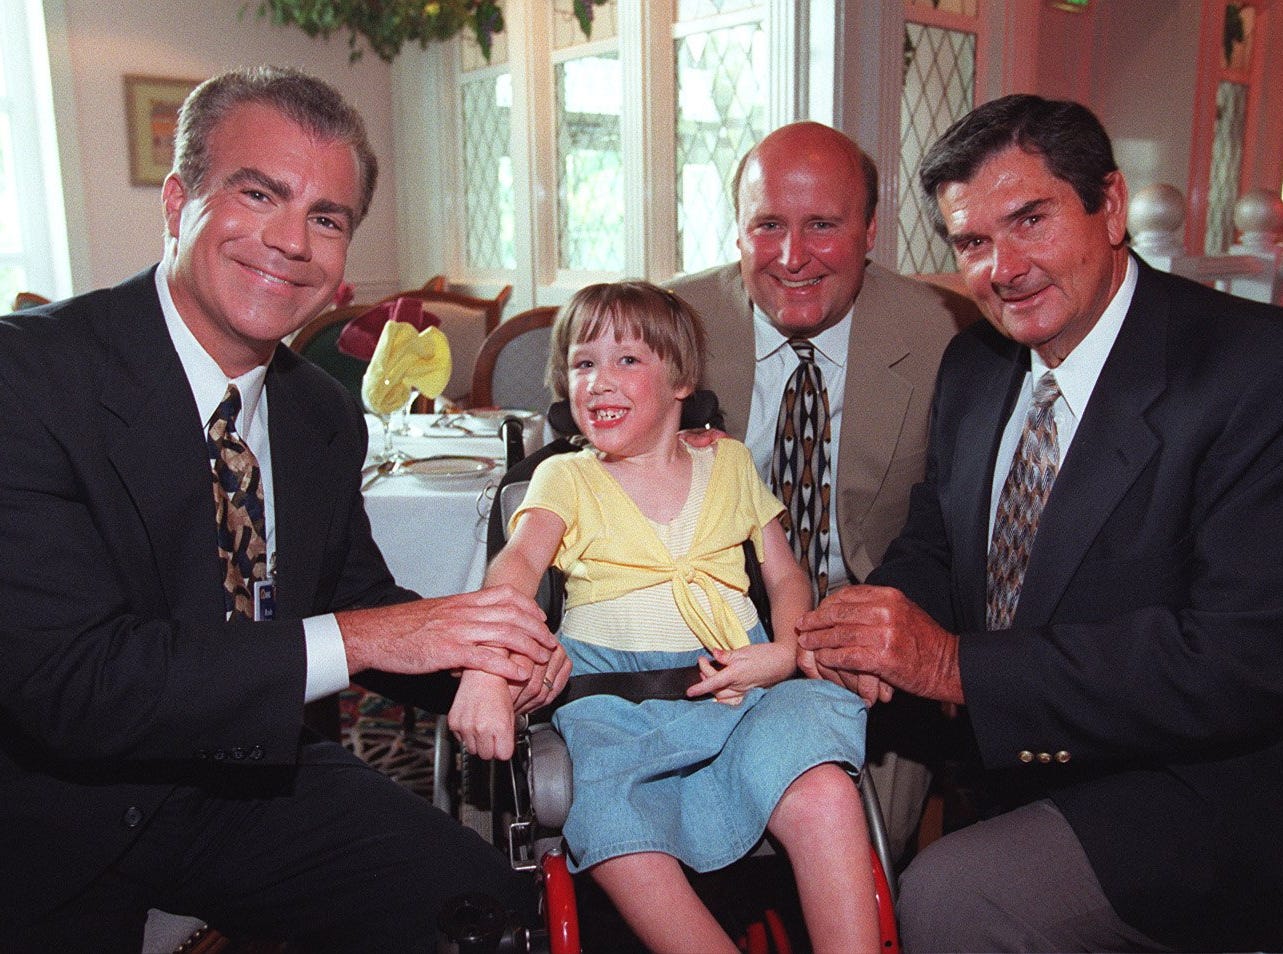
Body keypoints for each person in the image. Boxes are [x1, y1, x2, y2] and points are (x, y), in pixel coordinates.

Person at [0, 66, 562, 953]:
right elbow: (75, 688)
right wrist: (377, 637)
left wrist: (482, 655)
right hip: (56, 818)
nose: (291, 241)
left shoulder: (318, 412)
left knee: (484, 914)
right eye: (258, 193)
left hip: (250, 781)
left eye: (327, 217)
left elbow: (360, 598)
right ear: (180, 202)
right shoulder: (29, 377)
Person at [796, 93, 1283, 952]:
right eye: (972, 242)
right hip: (1013, 770)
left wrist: (955, 666)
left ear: (1111, 205)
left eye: (1030, 220)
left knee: (951, 895)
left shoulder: (1252, 367)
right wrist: (871, 623)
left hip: (1201, 785)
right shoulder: (977, 362)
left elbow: (1241, 659)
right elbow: (936, 545)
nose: (1003, 268)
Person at [449, 281, 879, 954]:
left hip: (743, 690)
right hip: (617, 709)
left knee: (823, 788)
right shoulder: (567, 478)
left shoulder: (728, 463)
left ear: (679, 380)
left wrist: (787, 651)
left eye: (626, 361)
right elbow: (515, 567)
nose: (598, 381)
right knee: (615, 832)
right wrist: (483, 662)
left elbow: (786, 574)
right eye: (583, 362)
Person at [669, 121, 979, 861]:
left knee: (868, 853)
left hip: (870, 642)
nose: (791, 256)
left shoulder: (948, 336)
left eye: (822, 226)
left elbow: (957, 531)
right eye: (767, 225)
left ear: (870, 231)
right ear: (737, 230)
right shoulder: (667, 325)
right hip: (693, 631)